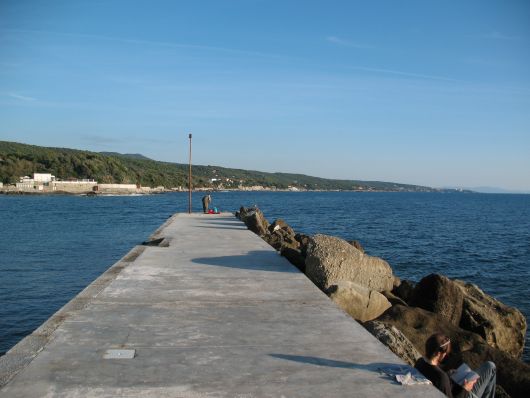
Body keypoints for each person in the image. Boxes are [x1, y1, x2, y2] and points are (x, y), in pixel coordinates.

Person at [415, 333, 496, 398]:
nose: (445, 355)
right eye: (445, 353)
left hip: (452, 389)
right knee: (491, 367)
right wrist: (465, 389)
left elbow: (433, 377)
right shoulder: (441, 377)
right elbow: (439, 380)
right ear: (438, 353)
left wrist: (448, 374)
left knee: (489, 366)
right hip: (463, 394)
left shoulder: (420, 362)